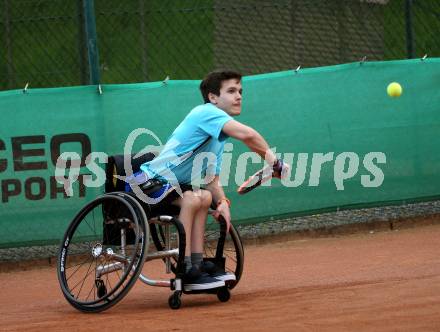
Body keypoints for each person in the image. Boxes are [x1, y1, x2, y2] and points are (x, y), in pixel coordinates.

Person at [131, 70, 287, 291]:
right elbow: (249, 136)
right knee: (194, 198)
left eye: (240, 91)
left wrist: (223, 203)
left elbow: (211, 180)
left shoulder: (217, 136)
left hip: (172, 188)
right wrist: (275, 163)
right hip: (147, 183)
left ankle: (197, 264)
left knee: (204, 196)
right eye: (231, 91)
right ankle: (185, 269)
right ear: (213, 97)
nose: (239, 96)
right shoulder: (205, 113)